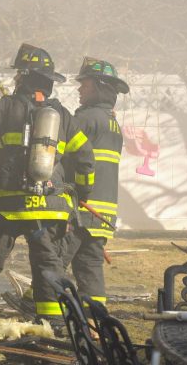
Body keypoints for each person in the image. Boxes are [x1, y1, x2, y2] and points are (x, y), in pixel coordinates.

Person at [0, 43, 95, 323]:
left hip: (9, 206)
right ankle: (53, 322)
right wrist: (81, 192)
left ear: (23, 77)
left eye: (19, 74)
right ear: (48, 82)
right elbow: (86, 160)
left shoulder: (7, 106)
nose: (16, 78)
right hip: (49, 207)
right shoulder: (64, 117)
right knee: (48, 265)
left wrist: (1, 112)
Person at [61, 57, 129, 306]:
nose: (80, 89)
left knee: (55, 257)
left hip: (81, 208)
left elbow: (62, 155)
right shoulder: (112, 122)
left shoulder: (86, 119)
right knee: (90, 264)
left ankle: (37, 302)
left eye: (85, 84)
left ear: (99, 87)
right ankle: (95, 316)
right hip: (102, 212)